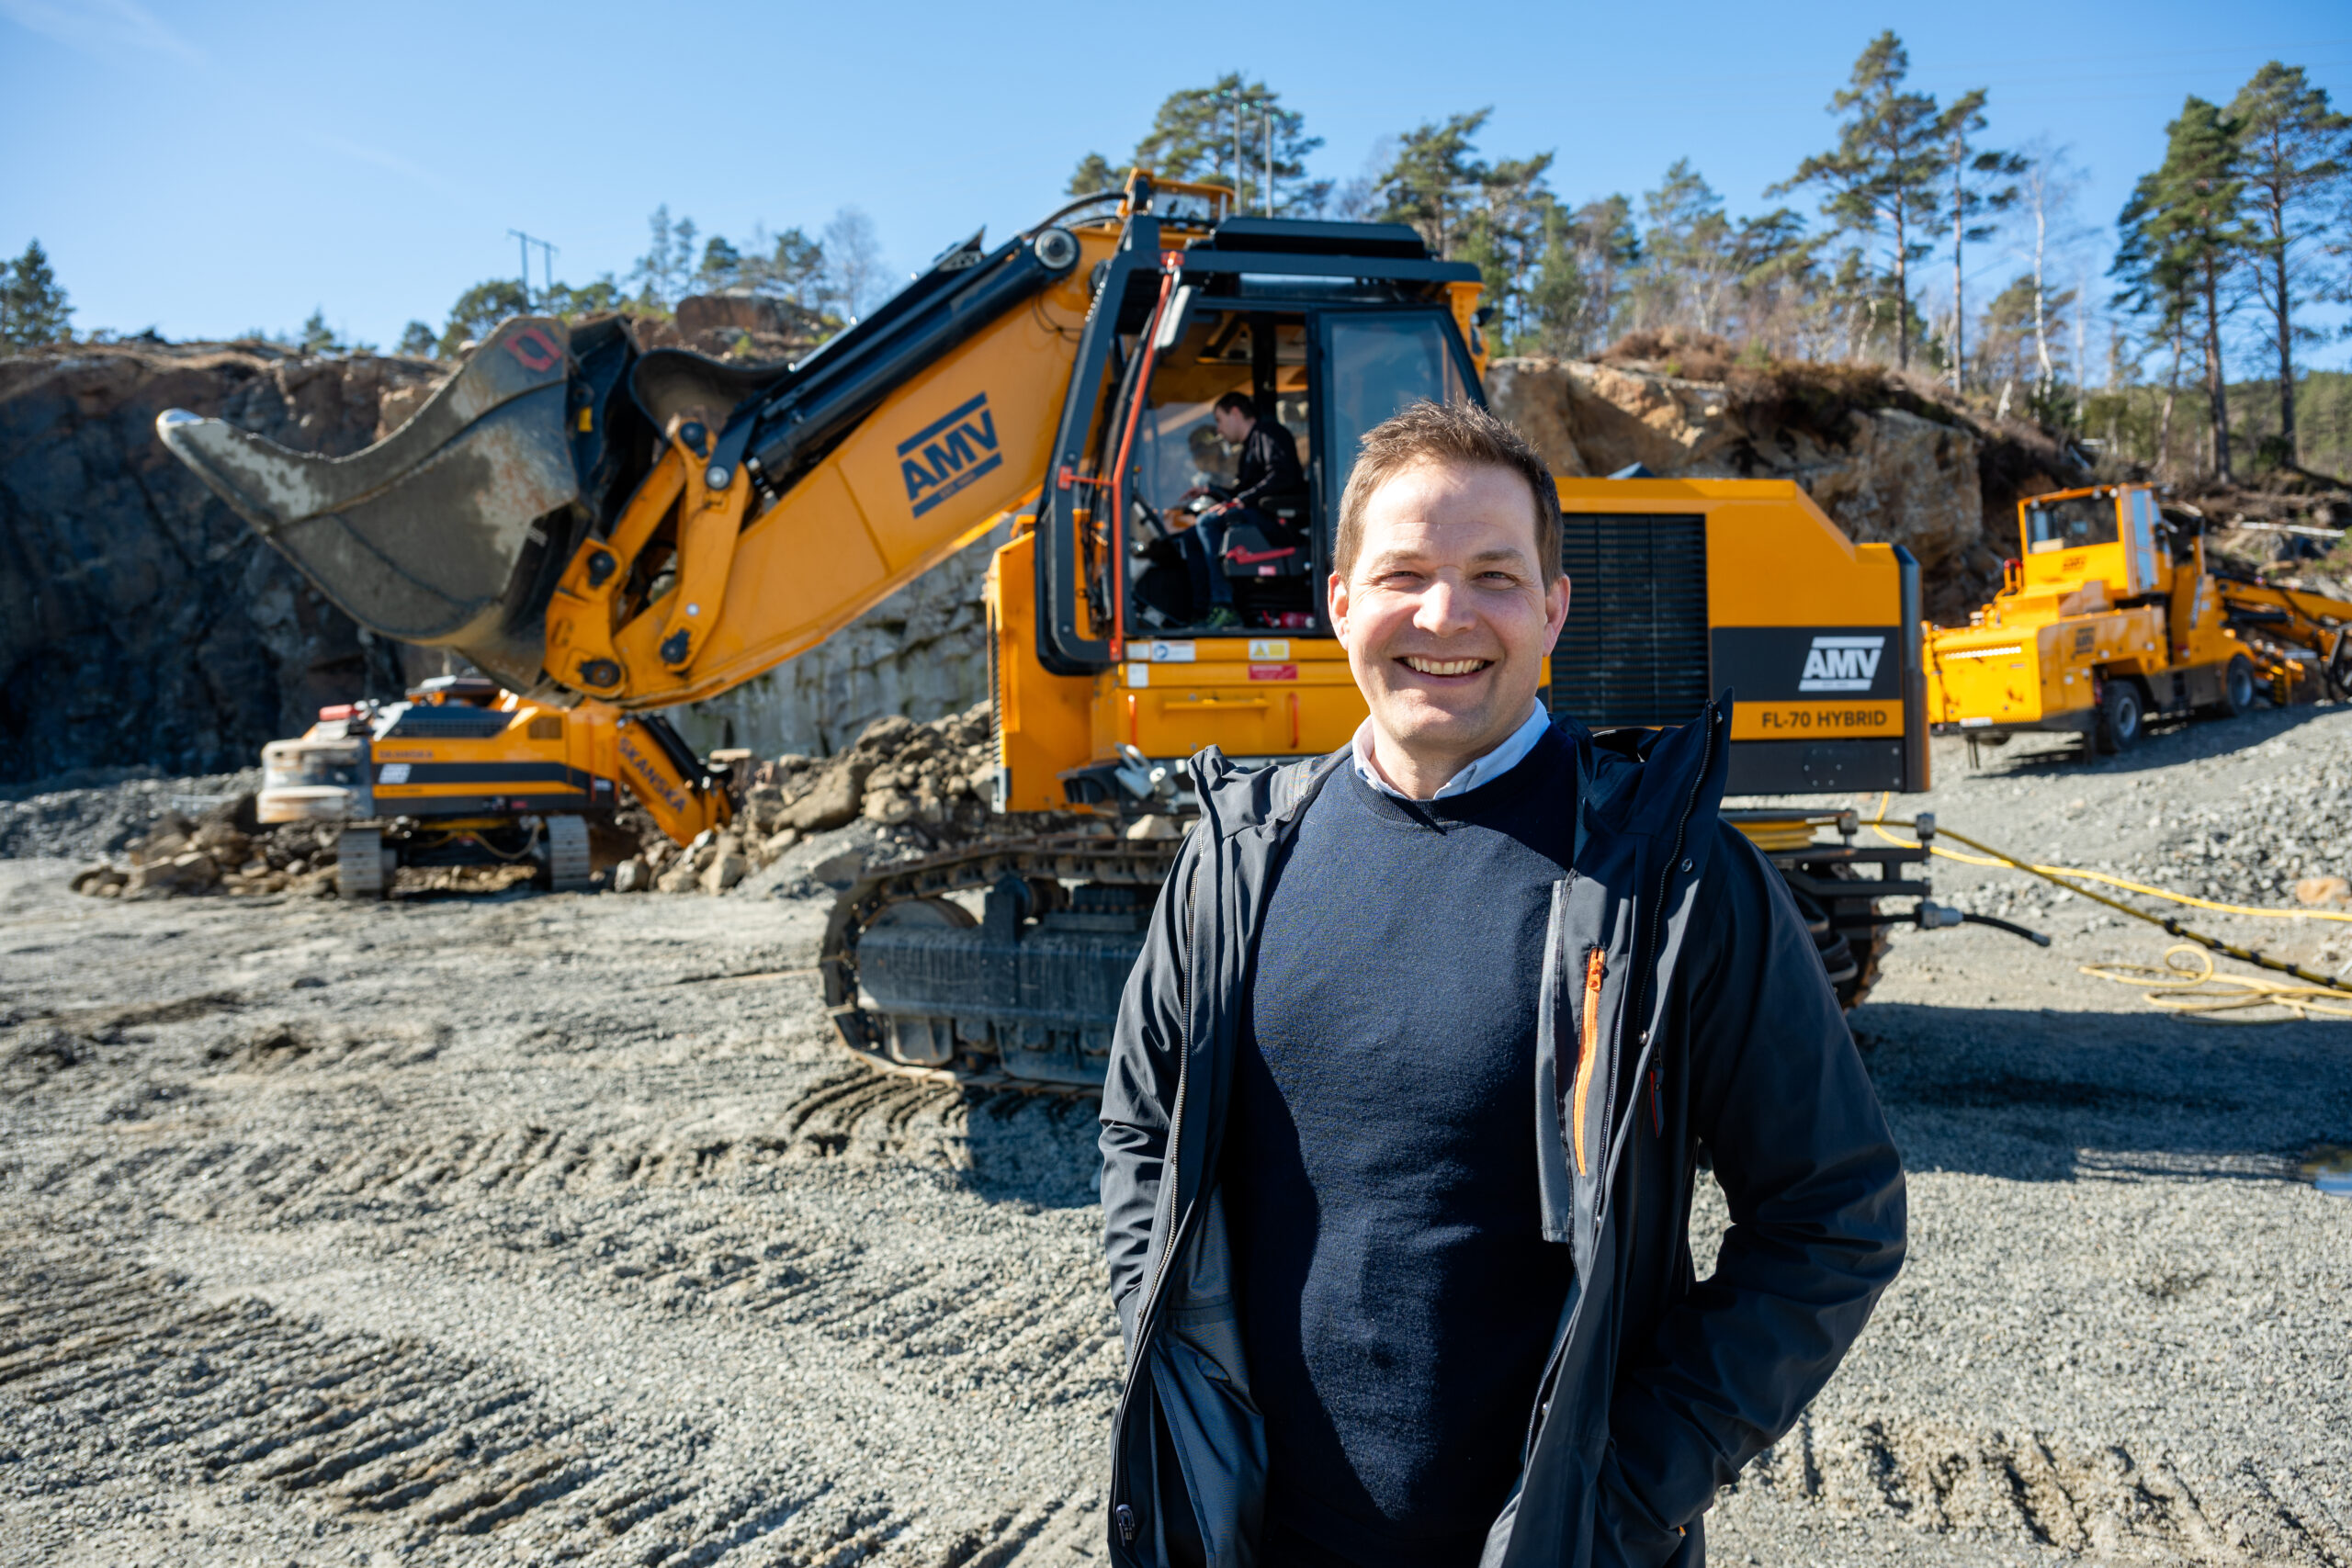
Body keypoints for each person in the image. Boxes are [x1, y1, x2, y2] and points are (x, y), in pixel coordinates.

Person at [1099, 400, 1906, 1567]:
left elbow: (1834, 1214)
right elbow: (1141, 1132)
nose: (1445, 615)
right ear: (1339, 603)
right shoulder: (1234, 863)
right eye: (1403, 575)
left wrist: (1628, 1489)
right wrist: (1176, 1375)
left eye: (1494, 576)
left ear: (1552, 609)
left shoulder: (1667, 878)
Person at [1174, 391, 1306, 629]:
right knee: (1191, 536)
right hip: (1258, 516)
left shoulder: (1268, 434)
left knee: (1208, 523)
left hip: (1278, 522)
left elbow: (1282, 475)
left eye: (1219, 420)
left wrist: (1242, 500)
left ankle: (1225, 606)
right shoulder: (1251, 445)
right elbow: (1246, 490)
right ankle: (1202, 610)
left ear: (1235, 413)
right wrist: (1211, 491)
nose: (1218, 430)